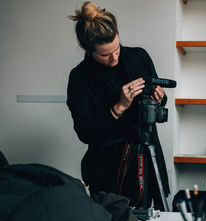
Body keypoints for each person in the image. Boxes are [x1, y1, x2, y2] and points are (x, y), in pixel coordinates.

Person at [67, 2, 169, 209]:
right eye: (105, 55)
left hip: (147, 157)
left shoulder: (138, 57)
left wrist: (160, 98)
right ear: (88, 50)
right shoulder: (80, 78)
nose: (114, 57)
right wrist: (119, 107)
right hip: (107, 169)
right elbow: (85, 132)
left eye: (117, 48)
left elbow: (156, 103)